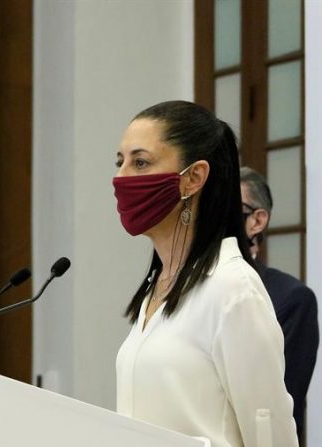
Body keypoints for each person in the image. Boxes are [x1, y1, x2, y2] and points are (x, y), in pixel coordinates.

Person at [113, 100, 297, 447]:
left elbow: (270, 432)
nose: (120, 178)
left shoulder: (232, 288)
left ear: (193, 178)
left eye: (140, 162)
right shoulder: (157, 286)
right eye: (119, 162)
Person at [240, 166, 319, 440]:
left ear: (257, 221)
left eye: (228, 207)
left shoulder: (291, 298)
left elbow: (279, 405)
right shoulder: (194, 288)